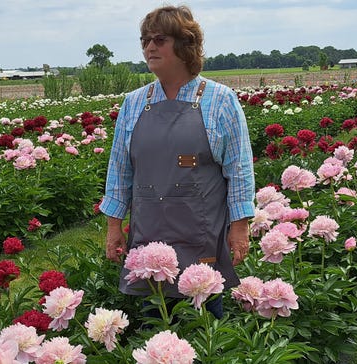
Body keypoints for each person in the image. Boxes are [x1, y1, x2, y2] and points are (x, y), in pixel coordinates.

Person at [99, 5, 255, 319]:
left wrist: (239, 228)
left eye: (159, 39)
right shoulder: (133, 103)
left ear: (185, 46)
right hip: (149, 234)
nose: (149, 47)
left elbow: (239, 170)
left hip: (201, 236)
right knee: (155, 319)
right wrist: (114, 226)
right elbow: (119, 171)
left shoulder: (220, 100)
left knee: (206, 321)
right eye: (145, 40)